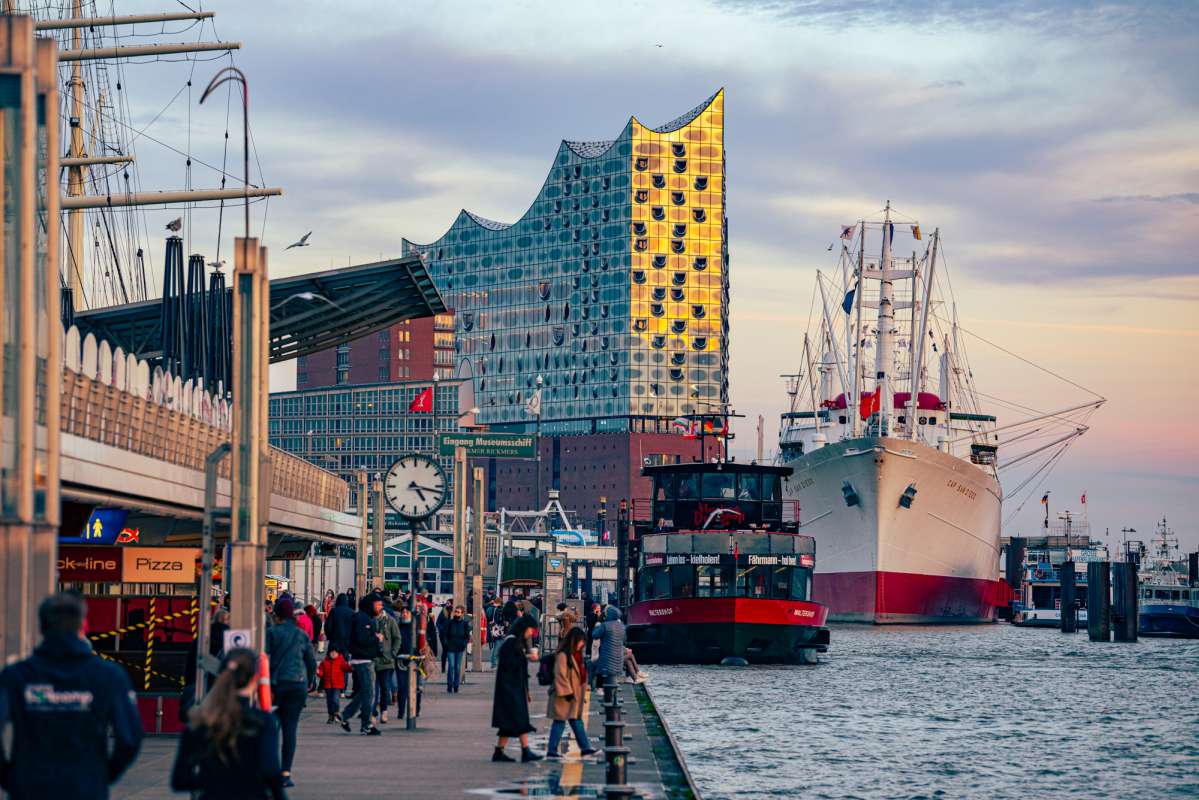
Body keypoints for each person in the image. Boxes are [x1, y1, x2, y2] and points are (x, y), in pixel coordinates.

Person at [0, 592, 143, 799]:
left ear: (42, 627)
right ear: (83, 626)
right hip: (85, 787)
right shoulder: (109, 676)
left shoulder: (16, 676)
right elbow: (129, 738)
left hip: (29, 787)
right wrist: (102, 775)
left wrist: (10, 777)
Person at [170, 648, 286, 800]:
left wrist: (211, 783)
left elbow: (180, 780)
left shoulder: (201, 721)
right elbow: (270, 771)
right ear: (255, 679)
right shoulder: (263, 722)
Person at [264, 596, 316, 788]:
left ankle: (270, 769)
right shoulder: (300, 634)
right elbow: (311, 662)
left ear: (277, 615)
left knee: (270, 728)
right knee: (290, 729)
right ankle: (285, 773)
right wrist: (309, 682)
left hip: (276, 685)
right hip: (297, 685)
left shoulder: (271, 633)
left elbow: (263, 658)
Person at [491, 615, 542, 763]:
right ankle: (525, 751)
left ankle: (500, 751)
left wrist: (526, 690)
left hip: (513, 687)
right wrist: (527, 657)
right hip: (510, 689)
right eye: (530, 630)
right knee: (519, 719)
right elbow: (510, 666)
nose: (531, 633)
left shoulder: (515, 642)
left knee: (510, 721)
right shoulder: (511, 642)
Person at [545, 628, 598, 759]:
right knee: (560, 722)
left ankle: (584, 748)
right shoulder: (563, 655)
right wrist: (568, 693)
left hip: (572, 696)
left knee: (575, 722)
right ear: (574, 641)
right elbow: (560, 675)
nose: (582, 644)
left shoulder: (576, 655)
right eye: (580, 641)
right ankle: (552, 750)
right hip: (564, 697)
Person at [339, 595, 382, 735]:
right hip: (363, 660)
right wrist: (376, 638)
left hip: (363, 658)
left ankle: (345, 715)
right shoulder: (363, 619)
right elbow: (362, 638)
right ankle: (366, 725)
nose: (380, 607)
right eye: (378, 605)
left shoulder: (365, 617)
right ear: (370, 605)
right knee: (369, 693)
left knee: (365, 691)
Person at [371, 595, 401, 724]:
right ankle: (372, 712)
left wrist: (393, 653)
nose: (377, 607)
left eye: (379, 605)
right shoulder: (370, 620)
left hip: (386, 659)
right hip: (373, 658)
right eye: (375, 605)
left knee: (384, 687)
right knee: (373, 689)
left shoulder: (390, 621)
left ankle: (384, 711)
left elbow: (397, 638)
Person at [591, 605, 626, 687]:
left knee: (590, 665)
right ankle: (609, 687)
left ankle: (595, 687)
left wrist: (597, 627)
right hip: (619, 662)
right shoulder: (622, 626)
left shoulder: (605, 625)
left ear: (608, 615)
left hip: (606, 661)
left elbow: (594, 635)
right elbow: (624, 640)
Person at [316, 646, 351, 724]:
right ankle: (331, 716)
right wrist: (318, 671)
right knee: (329, 701)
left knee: (335, 699)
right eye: (331, 652)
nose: (333, 654)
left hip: (337, 685)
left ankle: (336, 713)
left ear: (338, 653)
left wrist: (351, 667)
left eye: (335, 652)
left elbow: (346, 668)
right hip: (328, 685)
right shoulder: (324, 662)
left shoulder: (341, 661)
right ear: (329, 653)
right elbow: (321, 673)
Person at [443, 605, 470, 693]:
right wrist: (446, 644)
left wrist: (463, 644)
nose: (456, 613)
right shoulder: (450, 622)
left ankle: (456, 685)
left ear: (462, 614)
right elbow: (445, 634)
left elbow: (467, 636)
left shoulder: (465, 624)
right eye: (455, 612)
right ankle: (449, 685)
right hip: (450, 647)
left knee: (457, 667)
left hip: (459, 648)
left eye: (458, 612)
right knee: (451, 666)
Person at [436, 601, 452, 673]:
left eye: (448, 603)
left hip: (451, 635)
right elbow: (438, 623)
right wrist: (442, 629)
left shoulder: (455, 612)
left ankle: (451, 667)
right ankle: (443, 667)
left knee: (451, 651)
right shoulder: (443, 611)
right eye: (446, 603)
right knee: (445, 650)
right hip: (443, 635)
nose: (447, 604)